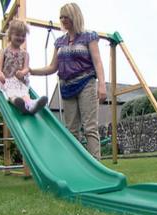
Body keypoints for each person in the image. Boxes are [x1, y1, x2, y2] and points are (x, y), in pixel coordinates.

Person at [30, 3, 106, 159]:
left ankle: (96, 166)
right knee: (71, 129)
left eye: (66, 16)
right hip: (66, 87)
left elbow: (98, 62)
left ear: (74, 16)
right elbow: (52, 67)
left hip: (86, 83)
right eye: (61, 17)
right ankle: (77, 165)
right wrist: (31, 71)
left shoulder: (88, 37)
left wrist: (102, 85)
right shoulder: (60, 42)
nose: (63, 20)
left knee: (89, 127)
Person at [0, 20, 47, 114]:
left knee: (24, 93)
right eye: (18, 35)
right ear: (10, 35)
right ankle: (19, 103)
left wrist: (22, 73)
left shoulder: (25, 54)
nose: (21, 38)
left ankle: (31, 106)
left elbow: (26, 68)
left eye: (23, 36)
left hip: (19, 81)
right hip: (6, 80)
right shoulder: (3, 51)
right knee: (11, 93)